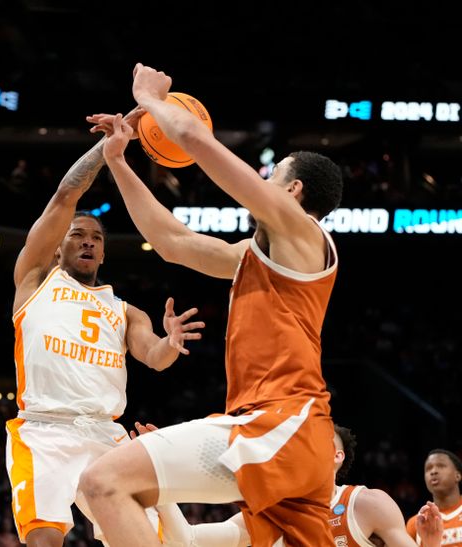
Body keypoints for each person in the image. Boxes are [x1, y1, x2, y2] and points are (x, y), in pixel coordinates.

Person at [79, 63, 345, 547]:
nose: (262, 180)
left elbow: (198, 142)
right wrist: (118, 160)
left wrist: (152, 98)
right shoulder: (257, 255)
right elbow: (172, 242)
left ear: (293, 190)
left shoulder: (304, 233)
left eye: (273, 173)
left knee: (102, 481)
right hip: (281, 431)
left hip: (282, 421)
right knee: (108, 488)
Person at [6, 116, 205, 546]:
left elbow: (153, 357)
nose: (88, 242)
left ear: (103, 253)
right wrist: (109, 147)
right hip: (45, 429)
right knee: (43, 537)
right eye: (78, 234)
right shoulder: (36, 280)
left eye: (96, 237)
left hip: (106, 433)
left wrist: (170, 343)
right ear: (58, 245)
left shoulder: (125, 310)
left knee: (142, 537)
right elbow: (66, 194)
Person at [134, 423, 435, 547]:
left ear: (337, 456)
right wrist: (162, 477)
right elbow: (186, 540)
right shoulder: (270, 512)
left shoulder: (366, 504)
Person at [406, 449, 462, 545]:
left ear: (457, 475)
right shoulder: (416, 523)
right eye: (428, 468)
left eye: (441, 466)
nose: (433, 471)